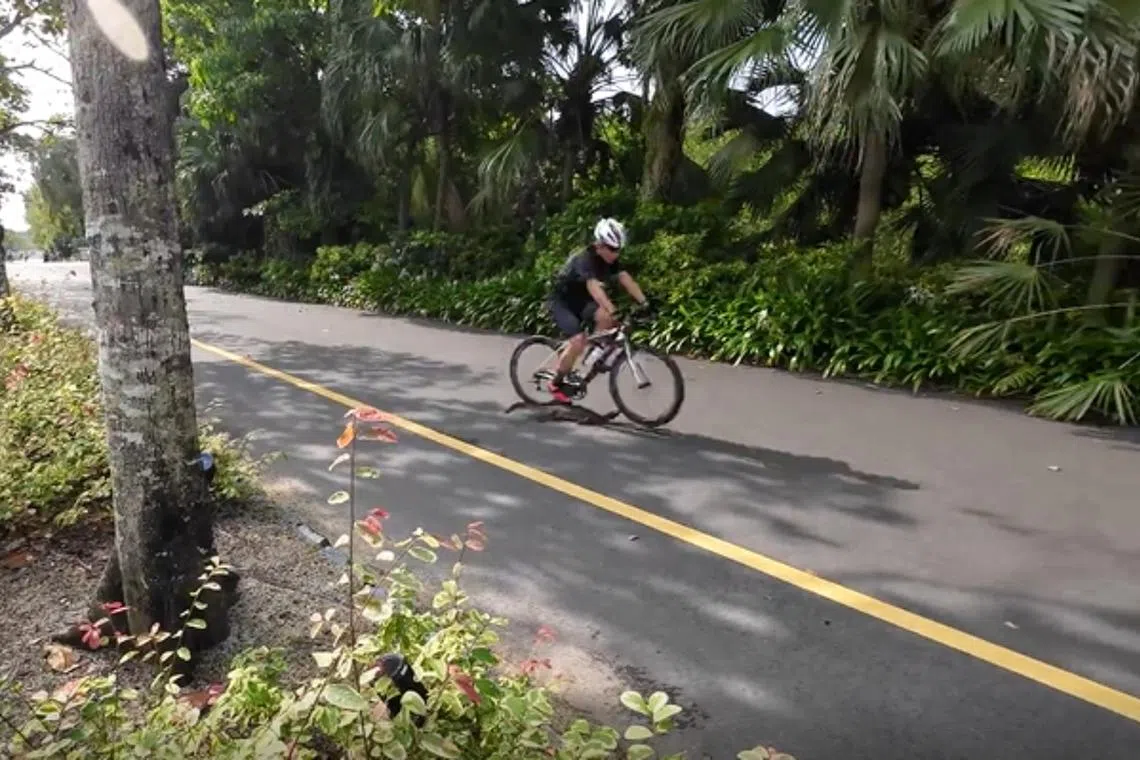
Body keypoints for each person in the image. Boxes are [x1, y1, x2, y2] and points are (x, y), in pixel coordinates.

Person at [546, 217, 651, 403]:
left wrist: (645, 303)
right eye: (612, 249)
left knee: (608, 319)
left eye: (618, 249)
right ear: (600, 245)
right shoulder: (584, 259)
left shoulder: (609, 259)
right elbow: (594, 288)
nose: (615, 254)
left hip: (582, 300)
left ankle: (595, 353)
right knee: (578, 340)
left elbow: (625, 278)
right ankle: (555, 382)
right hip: (563, 302)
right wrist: (612, 309)